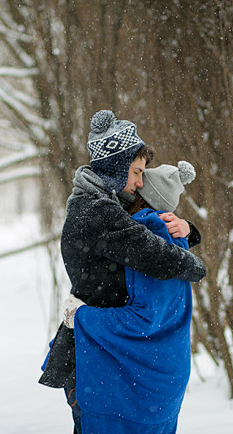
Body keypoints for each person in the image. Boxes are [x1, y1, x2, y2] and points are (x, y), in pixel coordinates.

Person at [39, 110, 206, 434]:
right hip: (94, 358)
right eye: (136, 171)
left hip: (103, 356)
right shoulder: (97, 211)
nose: (139, 182)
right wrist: (196, 267)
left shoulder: (99, 204)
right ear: (116, 166)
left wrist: (188, 230)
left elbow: (145, 235)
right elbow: (155, 254)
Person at [65, 161, 199, 434]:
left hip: (135, 391)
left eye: (140, 179)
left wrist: (79, 316)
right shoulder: (171, 240)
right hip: (162, 387)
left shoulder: (149, 235)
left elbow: (143, 321)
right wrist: (189, 230)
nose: (133, 185)